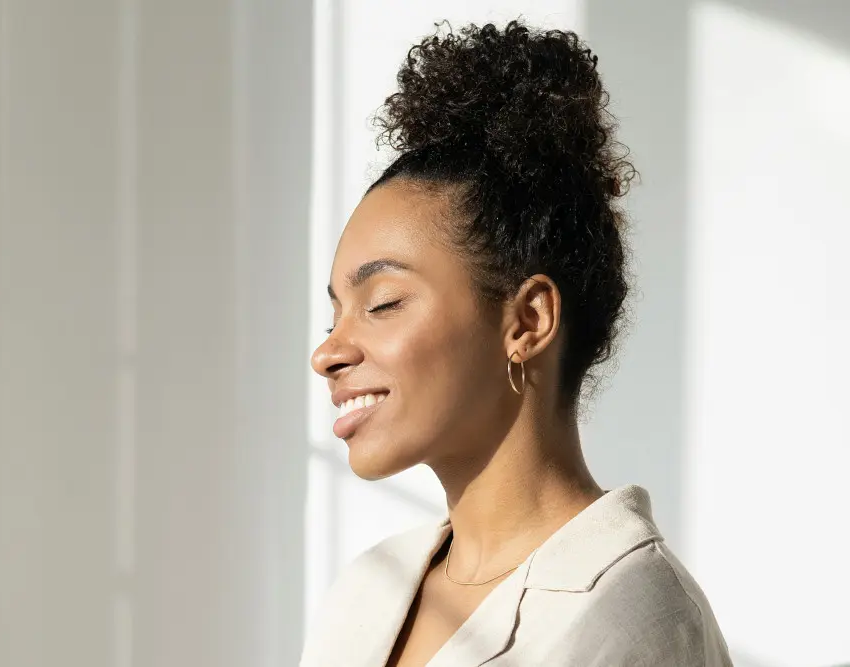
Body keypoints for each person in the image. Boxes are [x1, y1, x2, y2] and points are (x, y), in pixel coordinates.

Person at [302, 18, 732, 667]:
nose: (329, 351)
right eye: (334, 313)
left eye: (382, 303)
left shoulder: (638, 620)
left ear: (527, 320)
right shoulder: (365, 590)